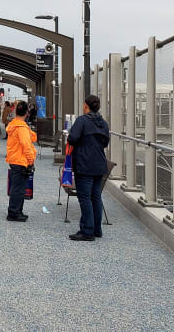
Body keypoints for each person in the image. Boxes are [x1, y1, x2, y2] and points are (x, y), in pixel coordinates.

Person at [67, 94, 110, 241]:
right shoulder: (103, 123)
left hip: (84, 164)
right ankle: (97, 229)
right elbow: (105, 142)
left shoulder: (82, 121)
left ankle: (87, 230)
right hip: (99, 164)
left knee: (84, 197)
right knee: (95, 197)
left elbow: (72, 138)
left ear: (86, 105)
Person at [5, 101, 36, 221]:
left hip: (15, 159)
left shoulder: (14, 125)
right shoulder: (22, 128)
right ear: (27, 113)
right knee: (18, 188)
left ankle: (17, 210)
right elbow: (26, 145)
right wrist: (31, 160)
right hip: (21, 160)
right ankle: (13, 212)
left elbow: (32, 137)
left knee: (17, 187)